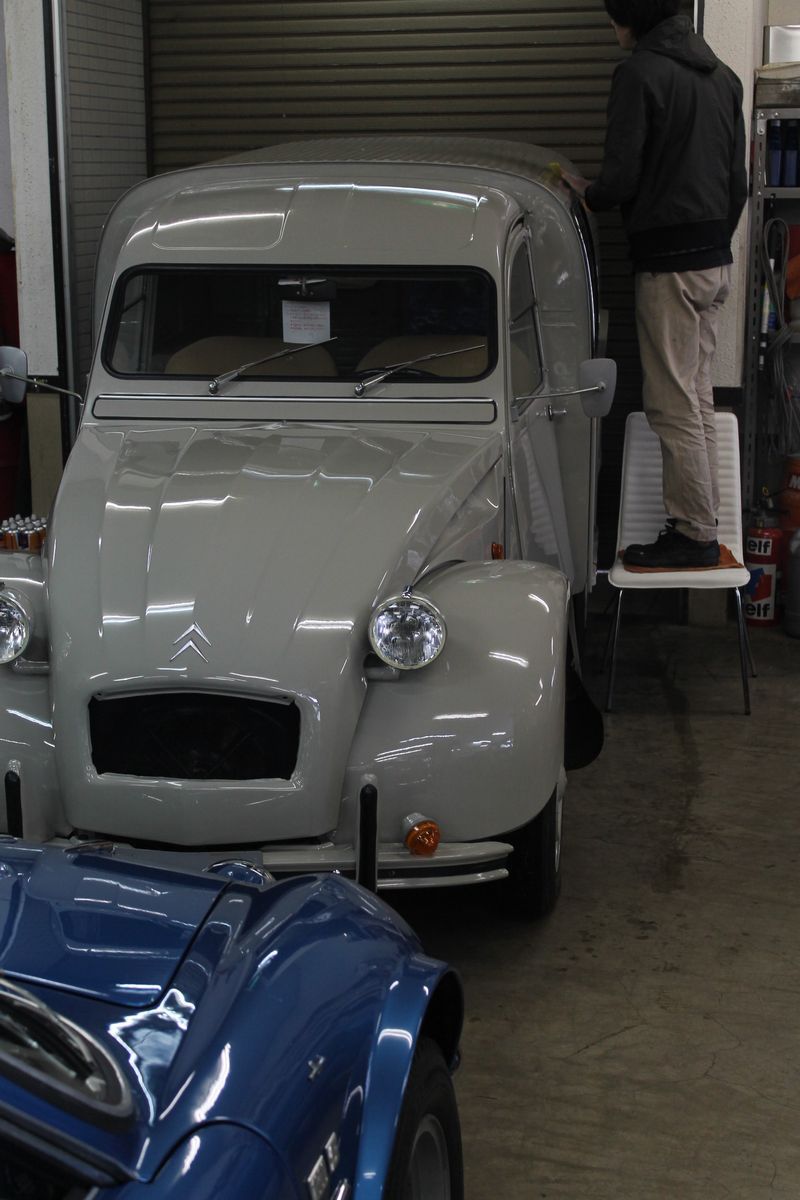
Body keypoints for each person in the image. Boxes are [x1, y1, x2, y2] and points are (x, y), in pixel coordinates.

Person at [564, 0, 747, 567]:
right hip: (713, 260)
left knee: (671, 402)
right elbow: (737, 182)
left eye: (613, 17)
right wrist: (713, 241)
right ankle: (703, 522)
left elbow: (620, 177)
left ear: (631, 18)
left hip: (669, 264)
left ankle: (693, 536)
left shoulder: (639, 73)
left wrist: (588, 192)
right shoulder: (724, 77)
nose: (612, 28)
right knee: (696, 395)